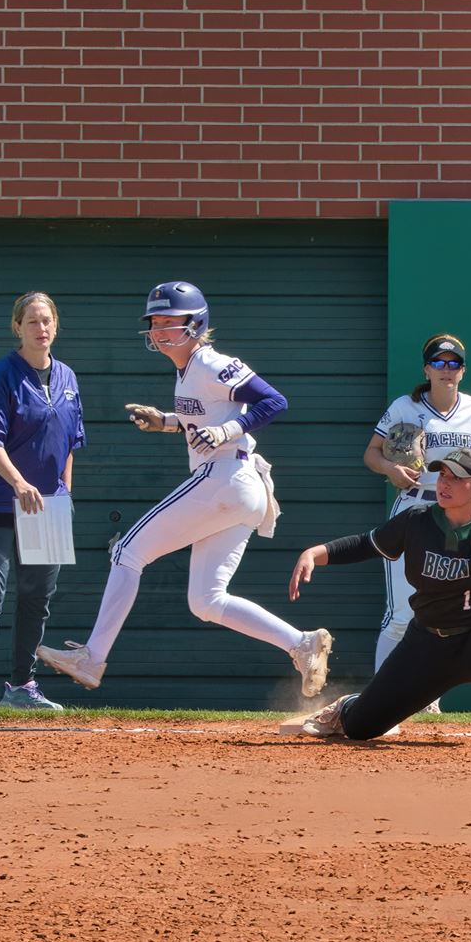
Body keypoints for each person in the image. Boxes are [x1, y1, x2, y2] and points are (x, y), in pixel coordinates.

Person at [37, 281, 333, 698]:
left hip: (225, 478)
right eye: (155, 322)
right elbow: (207, 415)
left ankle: (92, 657)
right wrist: (167, 421)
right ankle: (301, 643)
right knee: (207, 601)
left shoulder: (211, 363)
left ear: (196, 325)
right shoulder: (189, 371)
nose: (159, 330)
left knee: (127, 551)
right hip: (236, 488)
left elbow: (274, 401)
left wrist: (227, 429)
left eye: (169, 322)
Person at [288, 445, 471, 745]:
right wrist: (316, 552)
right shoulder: (416, 521)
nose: (445, 483)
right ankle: (347, 706)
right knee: (360, 727)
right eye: (442, 475)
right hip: (426, 647)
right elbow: (367, 544)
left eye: (456, 478)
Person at [0, 292, 84, 710]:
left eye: (47, 321)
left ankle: (21, 687)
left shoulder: (68, 377)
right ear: (17, 327)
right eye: (32, 321)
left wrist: (63, 493)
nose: (41, 328)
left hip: (47, 506)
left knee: (36, 596)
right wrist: (18, 483)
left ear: (56, 326)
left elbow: (70, 443)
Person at [365, 334, 471, 683]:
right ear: (427, 368)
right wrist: (391, 469)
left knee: (441, 613)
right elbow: (371, 453)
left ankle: (428, 699)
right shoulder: (404, 407)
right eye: (438, 363)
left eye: (453, 363)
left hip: (457, 517)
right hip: (415, 508)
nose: (446, 370)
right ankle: (379, 696)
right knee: (399, 615)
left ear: (463, 371)